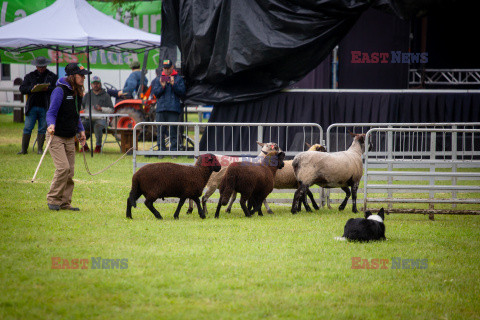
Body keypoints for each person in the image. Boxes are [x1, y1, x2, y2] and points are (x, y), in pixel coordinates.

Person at [45, 63, 91, 211]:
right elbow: (51, 112)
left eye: (84, 75)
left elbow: (75, 115)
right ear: (72, 76)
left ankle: (65, 203)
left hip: (70, 136)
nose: (84, 78)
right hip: (56, 135)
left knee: (70, 171)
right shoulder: (60, 91)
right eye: (81, 75)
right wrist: (51, 124)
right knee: (63, 168)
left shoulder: (78, 92)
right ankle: (53, 200)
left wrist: (81, 130)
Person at [18, 56, 58, 155]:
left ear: (46, 65)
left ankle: (40, 149)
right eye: (39, 66)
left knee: (43, 128)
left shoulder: (52, 76)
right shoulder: (30, 76)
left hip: (45, 106)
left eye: (43, 66)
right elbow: (22, 89)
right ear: (36, 66)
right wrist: (32, 88)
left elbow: (56, 89)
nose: (41, 68)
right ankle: (24, 150)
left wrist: (47, 89)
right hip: (32, 106)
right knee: (27, 127)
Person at [151, 59, 186, 157]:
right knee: (160, 132)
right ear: (163, 68)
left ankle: (174, 152)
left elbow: (182, 92)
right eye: (165, 68)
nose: (166, 70)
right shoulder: (158, 79)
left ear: (172, 67)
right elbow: (155, 94)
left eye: (168, 68)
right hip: (161, 108)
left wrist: (173, 84)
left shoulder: (178, 79)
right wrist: (162, 87)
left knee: (173, 131)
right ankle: (161, 152)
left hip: (173, 108)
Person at [81, 76, 114, 153]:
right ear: (91, 85)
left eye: (97, 83)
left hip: (101, 119)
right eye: (94, 83)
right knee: (77, 127)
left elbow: (112, 110)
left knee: (97, 126)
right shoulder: (87, 95)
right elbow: (81, 106)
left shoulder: (106, 95)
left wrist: (101, 109)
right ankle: (84, 146)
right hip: (87, 119)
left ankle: (98, 146)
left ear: (100, 84)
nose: (95, 85)